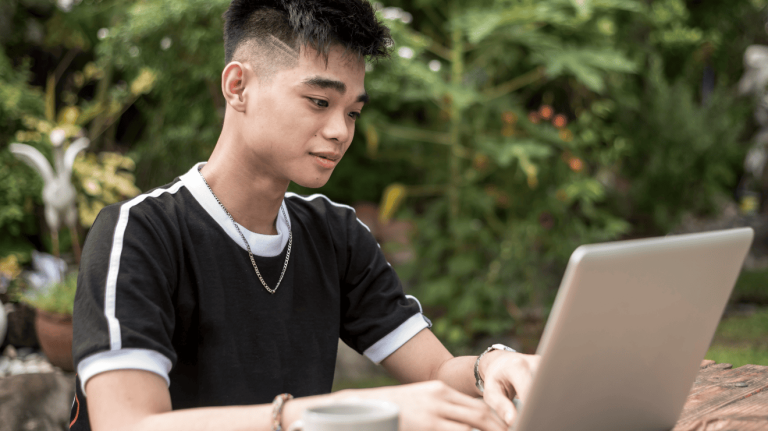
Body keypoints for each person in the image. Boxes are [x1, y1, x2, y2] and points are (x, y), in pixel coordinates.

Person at [69, 1, 540, 430]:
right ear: (238, 86)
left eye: (353, 112)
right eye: (319, 101)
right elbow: (127, 423)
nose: (339, 131)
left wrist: (491, 367)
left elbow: (436, 372)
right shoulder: (140, 234)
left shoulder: (335, 235)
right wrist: (322, 415)